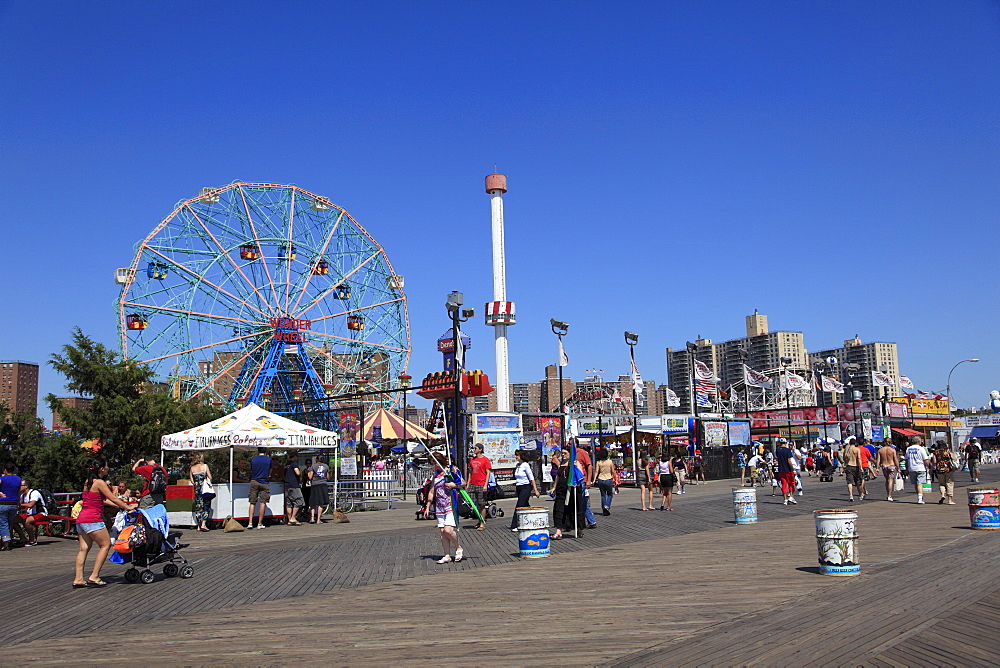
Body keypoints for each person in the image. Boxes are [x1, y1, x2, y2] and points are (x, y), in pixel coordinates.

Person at [73, 458, 137, 588]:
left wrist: (116, 505)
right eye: (107, 466)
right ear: (101, 469)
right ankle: (94, 576)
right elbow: (112, 497)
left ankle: (79, 578)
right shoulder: (100, 483)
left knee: (83, 549)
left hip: (82, 519)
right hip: (93, 519)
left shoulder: (88, 482)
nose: (108, 468)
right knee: (106, 544)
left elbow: (96, 500)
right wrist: (128, 507)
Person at [422, 452, 464, 563]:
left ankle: (458, 547)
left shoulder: (451, 470)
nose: (434, 466)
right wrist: (427, 506)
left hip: (449, 504)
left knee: (448, 530)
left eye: (434, 463)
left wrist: (453, 485)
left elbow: (463, 483)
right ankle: (447, 555)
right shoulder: (435, 474)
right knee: (442, 531)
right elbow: (432, 490)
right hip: (439, 506)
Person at [552, 445, 586, 539]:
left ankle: (579, 528)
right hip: (561, 490)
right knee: (559, 509)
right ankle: (559, 531)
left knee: (574, 509)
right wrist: (554, 487)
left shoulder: (575, 463)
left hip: (573, 489)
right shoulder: (561, 463)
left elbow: (580, 475)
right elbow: (558, 476)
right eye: (562, 453)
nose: (563, 455)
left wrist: (575, 468)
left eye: (565, 453)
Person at [509, 450, 541, 529]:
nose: (516, 457)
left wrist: (535, 490)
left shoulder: (525, 465)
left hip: (525, 487)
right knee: (525, 504)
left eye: (517, 455)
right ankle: (533, 519)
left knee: (519, 505)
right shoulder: (517, 465)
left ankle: (515, 525)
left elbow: (531, 478)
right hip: (519, 486)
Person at [466, 443, 492, 531]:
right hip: (473, 483)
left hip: (481, 483)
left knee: (482, 504)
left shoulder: (485, 460)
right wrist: (468, 483)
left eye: (476, 448)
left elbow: (488, 472)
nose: (474, 450)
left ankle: (482, 523)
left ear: (480, 449)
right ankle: (479, 520)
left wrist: (485, 484)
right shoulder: (472, 460)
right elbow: (470, 472)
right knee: (473, 503)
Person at [247, 447, 272, 529]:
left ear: (258, 451)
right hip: (264, 481)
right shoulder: (268, 460)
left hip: (254, 480)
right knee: (263, 502)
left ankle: (250, 522)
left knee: (252, 502)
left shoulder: (253, 459)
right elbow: (270, 471)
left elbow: (251, 470)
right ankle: (259, 523)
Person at [188, 452, 212, 532]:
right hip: (204, 489)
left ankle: (198, 525)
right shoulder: (205, 466)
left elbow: (191, 480)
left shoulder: (192, 468)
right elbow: (210, 477)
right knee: (206, 505)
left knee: (198, 506)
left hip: (197, 489)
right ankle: (203, 524)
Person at [575, 443, 598, 528]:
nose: (569, 445)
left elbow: (589, 465)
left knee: (581, 501)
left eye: (571, 444)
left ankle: (589, 521)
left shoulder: (582, 452)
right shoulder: (570, 453)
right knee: (582, 501)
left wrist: (588, 480)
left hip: (582, 480)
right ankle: (591, 521)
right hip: (574, 481)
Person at [0, 463, 22, 550]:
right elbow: (19, 492)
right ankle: (6, 541)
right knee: (8, 524)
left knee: (3, 523)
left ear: (5, 470)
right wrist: (18, 502)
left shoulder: (2, 479)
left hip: (3, 504)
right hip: (13, 504)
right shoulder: (18, 479)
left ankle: (6, 544)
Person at [18, 480, 46, 546]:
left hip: (40, 513)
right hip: (29, 513)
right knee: (13, 521)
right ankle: (22, 537)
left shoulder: (34, 493)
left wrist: (19, 504)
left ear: (26, 486)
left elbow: (31, 505)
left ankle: (32, 540)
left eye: (20, 485)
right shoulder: (22, 496)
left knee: (27, 521)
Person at [905, 435, 932, 504]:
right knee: (920, 483)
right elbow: (925, 459)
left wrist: (907, 468)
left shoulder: (908, 449)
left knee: (915, 483)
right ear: (919, 442)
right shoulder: (921, 449)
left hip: (912, 468)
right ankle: (920, 498)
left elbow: (906, 459)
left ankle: (919, 496)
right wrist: (929, 466)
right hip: (920, 467)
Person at [593, 448, 618, 515]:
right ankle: (606, 506)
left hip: (601, 479)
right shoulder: (609, 462)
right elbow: (613, 471)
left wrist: (594, 479)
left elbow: (596, 472)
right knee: (610, 494)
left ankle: (604, 509)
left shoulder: (598, 462)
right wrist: (615, 479)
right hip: (608, 479)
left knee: (603, 495)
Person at [307, 456, 330, 523]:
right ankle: (318, 519)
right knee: (321, 503)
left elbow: (310, 476)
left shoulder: (313, 466)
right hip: (323, 484)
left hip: (315, 485)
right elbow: (327, 477)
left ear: (316, 460)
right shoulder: (326, 466)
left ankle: (312, 518)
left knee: (313, 502)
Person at [774, 439, 798, 505]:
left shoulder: (777, 450)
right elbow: (789, 460)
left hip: (781, 469)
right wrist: (793, 469)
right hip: (788, 469)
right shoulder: (787, 450)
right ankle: (791, 496)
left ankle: (785, 499)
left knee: (784, 484)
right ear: (785, 443)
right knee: (791, 483)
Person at [283, 453, 304, 525]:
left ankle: (289, 519)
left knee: (289, 503)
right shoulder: (294, 463)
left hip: (286, 485)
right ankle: (293, 517)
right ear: (295, 457)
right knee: (299, 501)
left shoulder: (287, 464)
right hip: (294, 485)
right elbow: (297, 472)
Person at [841, 438, 864, 503]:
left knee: (849, 482)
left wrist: (846, 463)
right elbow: (859, 458)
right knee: (859, 482)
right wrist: (861, 467)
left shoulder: (847, 449)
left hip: (849, 466)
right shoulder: (857, 449)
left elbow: (844, 458)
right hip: (856, 466)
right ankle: (860, 495)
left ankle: (851, 496)